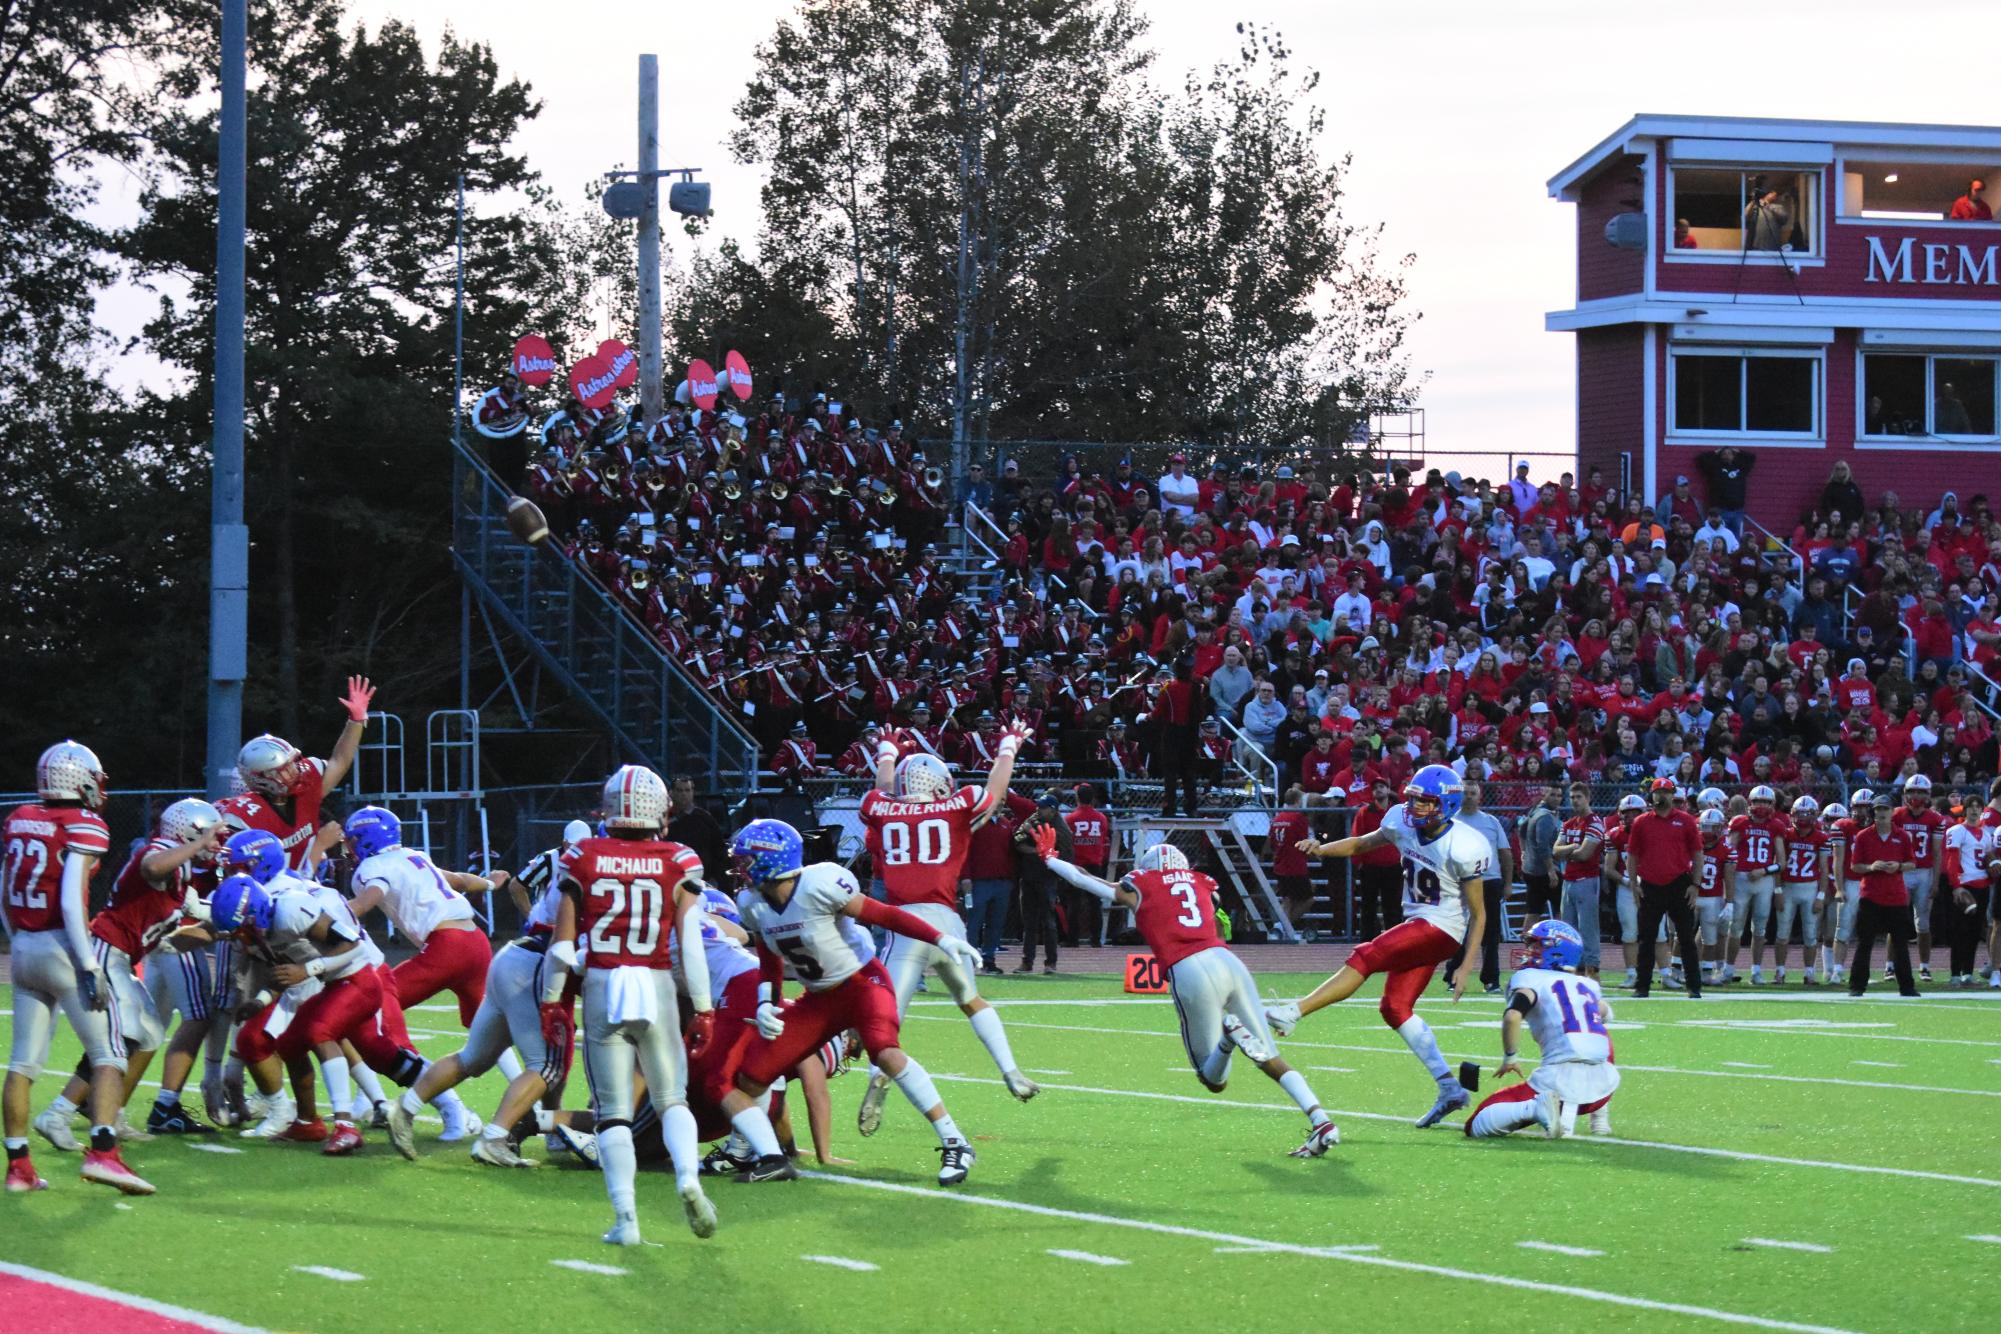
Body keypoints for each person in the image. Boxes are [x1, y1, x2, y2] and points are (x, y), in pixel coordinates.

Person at [1031, 832, 1338, 1157]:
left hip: (1188, 968)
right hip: (1229, 962)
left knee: (1213, 1080)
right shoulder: (1202, 881)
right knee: (1268, 1055)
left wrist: (1051, 859)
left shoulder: (1142, 881)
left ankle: (1228, 1038)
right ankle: (1321, 1120)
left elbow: (1087, 881)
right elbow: (1215, 913)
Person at [725, 819, 985, 1186]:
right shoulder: (752, 902)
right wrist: (766, 1003)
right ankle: (744, 1151)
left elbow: (885, 914)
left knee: (884, 1052)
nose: (741, 868)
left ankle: (955, 1141)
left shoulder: (818, 883)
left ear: (772, 860)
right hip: (818, 998)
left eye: (748, 860)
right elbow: (769, 958)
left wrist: (940, 938)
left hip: (863, 983)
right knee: (753, 1073)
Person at [538, 765, 727, 1245]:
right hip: (657, 981)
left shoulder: (583, 855)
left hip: (603, 982)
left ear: (609, 809)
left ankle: (627, 1221)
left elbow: (562, 945)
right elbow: (688, 938)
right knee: (671, 1099)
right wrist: (703, 1007)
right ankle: (688, 1176)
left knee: (613, 1113)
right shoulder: (678, 859)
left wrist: (551, 1000)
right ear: (659, 809)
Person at [1267, 765, 1491, 1128]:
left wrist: (1466, 966)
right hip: (1417, 922)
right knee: (1394, 1007)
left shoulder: (1464, 845)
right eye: (1414, 799)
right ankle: (1449, 1087)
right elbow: (1361, 843)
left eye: (1425, 802)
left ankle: (1294, 1011)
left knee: (1366, 955)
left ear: (1446, 805)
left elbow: (1479, 914)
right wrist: (1321, 849)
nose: (1415, 807)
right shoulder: (1400, 820)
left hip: (1441, 928)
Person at [853, 725, 1039, 1138]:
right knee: (972, 1001)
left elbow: (884, 789)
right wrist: (1008, 747)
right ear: (941, 784)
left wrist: (886, 752)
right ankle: (1010, 1071)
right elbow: (995, 790)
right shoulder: (956, 806)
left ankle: (877, 1079)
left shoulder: (881, 807)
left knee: (884, 1026)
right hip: (948, 923)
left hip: (905, 926)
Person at [4, 742, 153, 1196]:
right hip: (64, 945)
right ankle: (104, 1155)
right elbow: (71, 898)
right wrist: (88, 963)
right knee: (109, 1055)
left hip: (24, 945)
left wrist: (18, 942)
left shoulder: (19, 818)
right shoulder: (83, 824)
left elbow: (4, 889)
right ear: (83, 780)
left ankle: (18, 1167)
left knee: (23, 1062)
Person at [36, 800, 226, 1148]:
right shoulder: (161, 852)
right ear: (189, 832)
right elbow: (153, 867)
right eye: (210, 836)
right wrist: (197, 846)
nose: (216, 844)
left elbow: (192, 923)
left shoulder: (182, 873)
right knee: (120, 1039)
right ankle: (59, 1113)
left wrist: (231, 925)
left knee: (150, 1032)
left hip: (121, 957)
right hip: (107, 952)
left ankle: (110, 1110)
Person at [1464, 921, 1618, 1140]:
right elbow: (1602, 1014)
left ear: (1558, 951)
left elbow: (1512, 1016)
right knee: (1598, 1029)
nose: (1530, 951)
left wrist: (1510, 1057)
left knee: (1476, 1125)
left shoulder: (1529, 980)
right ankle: (1600, 1119)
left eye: (1538, 946)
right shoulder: (1588, 986)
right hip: (1602, 1090)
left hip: (1558, 1082)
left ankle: (1535, 1109)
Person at [1626, 777, 1705, 998]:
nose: (1662, 796)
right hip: (1650, 885)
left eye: (1666, 792)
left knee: (1686, 937)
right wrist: (1634, 884)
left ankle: (1694, 986)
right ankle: (1642, 986)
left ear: (1673, 795)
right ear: (1651, 795)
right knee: (1647, 938)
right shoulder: (1641, 822)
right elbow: (1632, 855)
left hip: (1679, 883)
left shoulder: (1687, 821)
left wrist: (1695, 885)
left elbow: (1698, 854)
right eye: (1658, 792)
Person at [1847, 800, 1919, 997]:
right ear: (1873, 812)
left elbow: (1912, 863)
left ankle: (1907, 986)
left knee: (1900, 944)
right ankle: (1857, 986)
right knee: (1864, 943)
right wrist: (1872, 867)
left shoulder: (1902, 835)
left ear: (1892, 812)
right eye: (1878, 809)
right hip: (1870, 896)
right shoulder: (1863, 836)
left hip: (1896, 897)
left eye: (1885, 809)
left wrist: (1898, 866)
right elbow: (1855, 866)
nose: (1882, 813)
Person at [1448, 780, 1511, 994]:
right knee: (1459, 930)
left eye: (1472, 793)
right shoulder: (1451, 821)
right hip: (1460, 881)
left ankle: (1491, 980)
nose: (1469, 797)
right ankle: (1453, 976)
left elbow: (1505, 853)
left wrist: (1508, 882)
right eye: (1465, 793)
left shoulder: (1491, 822)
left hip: (1489, 881)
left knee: (1491, 933)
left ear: (1479, 796)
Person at [1726, 786, 1788, 985]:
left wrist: (1763, 871)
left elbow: (1782, 862)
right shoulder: (1740, 822)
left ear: (1772, 805)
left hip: (1764, 880)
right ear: (1750, 803)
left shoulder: (1776, 825)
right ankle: (1728, 969)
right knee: (1735, 927)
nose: (1761, 806)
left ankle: (1756, 971)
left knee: (1760, 928)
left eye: (1765, 802)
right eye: (1757, 801)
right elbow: (1728, 852)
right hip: (1741, 878)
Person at [1890, 775, 1946, 983]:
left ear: (1928, 795)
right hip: (1902, 870)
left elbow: (1937, 852)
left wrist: (1936, 881)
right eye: (1912, 791)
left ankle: (1924, 966)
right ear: (1905, 793)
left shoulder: (1935, 819)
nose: (1916, 796)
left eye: (1920, 792)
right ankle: (1890, 966)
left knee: (1923, 924)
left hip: (1924, 871)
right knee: (1895, 920)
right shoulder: (1896, 816)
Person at [1011, 793, 1071, 973]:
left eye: (1043, 807)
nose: (1038, 809)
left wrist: (1046, 852)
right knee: (1029, 922)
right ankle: (1027, 962)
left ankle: (1051, 963)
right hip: (1029, 877)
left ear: (1053, 810)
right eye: (1038, 806)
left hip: (1048, 879)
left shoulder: (1061, 829)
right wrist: (1036, 849)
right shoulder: (1033, 819)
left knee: (1049, 922)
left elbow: (1065, 854)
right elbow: (1016, 841)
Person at [1773, 796, 1829, 985]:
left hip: (1810, 887)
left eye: (1808, 814)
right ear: (1793, 815)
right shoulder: (1787, 835)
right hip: (1788, 887)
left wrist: (1821, 895)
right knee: (1782, 934)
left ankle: (1809, 973)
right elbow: (1778, 863)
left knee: (1811, 935)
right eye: (1800, 814)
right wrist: (1778, 890)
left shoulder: (1821, 837)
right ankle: (1780, 972)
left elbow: (1824, 869)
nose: (1804, 818)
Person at [1551, 784, 1606, 977]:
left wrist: (1567, 850)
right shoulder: (1568, 823)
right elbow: (1555, 851)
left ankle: (1593, 970)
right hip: (1569, 881)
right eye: (1572, 797)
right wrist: (1573, 847)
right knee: (1569, 929)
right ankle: (1575, 969)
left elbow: (1585, 854)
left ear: (1588, 798)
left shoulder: (1595, 823)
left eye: (1579, 797)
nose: (1575, 800)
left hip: (1587, 880)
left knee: (1588, 928)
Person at [1941, 803, 1996, 986]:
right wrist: (1955, 885)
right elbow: (1951, 859)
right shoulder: (1957, 831)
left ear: (1982, 811)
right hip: (1964, 886)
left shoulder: (1986, 835)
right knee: (1959, 931)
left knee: (1974, 933)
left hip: (1982, 886)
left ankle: (1967, 973)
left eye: (1978, 807)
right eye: (1971, 807)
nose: (1974, 810)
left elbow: (1989, 859)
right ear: (1965, 811)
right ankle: (1955, 973)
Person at [1063, 784, 1112, 947]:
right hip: (1094, 864)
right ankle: (1096, 940)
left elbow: (1066, 842)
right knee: (1094, 903)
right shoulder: (1101, 818)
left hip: (1076, 864)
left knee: (1074, 903)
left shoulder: (1070, 818)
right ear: (1093, 798)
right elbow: (1103, 839)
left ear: (1077, 798)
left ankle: (1073, 939)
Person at [1692, 808, 1735, 988]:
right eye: (1705, 827)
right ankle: (1677, 971)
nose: (1708, 832)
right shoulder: (1691, 844)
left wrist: (1730, 902)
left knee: (1710, 939)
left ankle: (1706, 973)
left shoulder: (1726, 848)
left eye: (1713, 827)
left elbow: (1729, 877)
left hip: (1712, 897)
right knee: (1682, 936)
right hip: (1693, 894)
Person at [1517, 783, 1561, 933]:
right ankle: (1560, 943)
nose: (1556, 799)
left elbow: (1521, 831)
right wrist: (1551, 871)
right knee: (1559, 909)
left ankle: (1527, 944)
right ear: (1545, 795)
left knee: (1533, 909)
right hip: (1543, 871)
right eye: (1552, 795)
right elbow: (1543, 846)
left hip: (1531, 868)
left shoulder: (1535, 811)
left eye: (1559, 795)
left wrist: (1524, 853)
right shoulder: (1545, 816)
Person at [669, 775, 730, 883]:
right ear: (671, 793)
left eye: (687, 790)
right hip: (672, 877)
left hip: (703, 880)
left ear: (693, 792)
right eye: (679, 790)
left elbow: (719, 851)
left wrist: (716, 878)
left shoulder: (705, 819)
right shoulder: (665, 819)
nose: (684, 794)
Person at [1693, 446, 1755, 536]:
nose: (1727, 456)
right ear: (1720, 456)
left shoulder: (1741, 468)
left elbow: (1751, 457)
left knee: (1736, 537)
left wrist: (1738, 451)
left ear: (1734, 456)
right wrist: (1715, 452)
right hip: (1721, 510)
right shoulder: (1715, 468)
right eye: (1724, 454)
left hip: (1737, 510)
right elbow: (1701, 459)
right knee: (1720, 536)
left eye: (1729, 453)